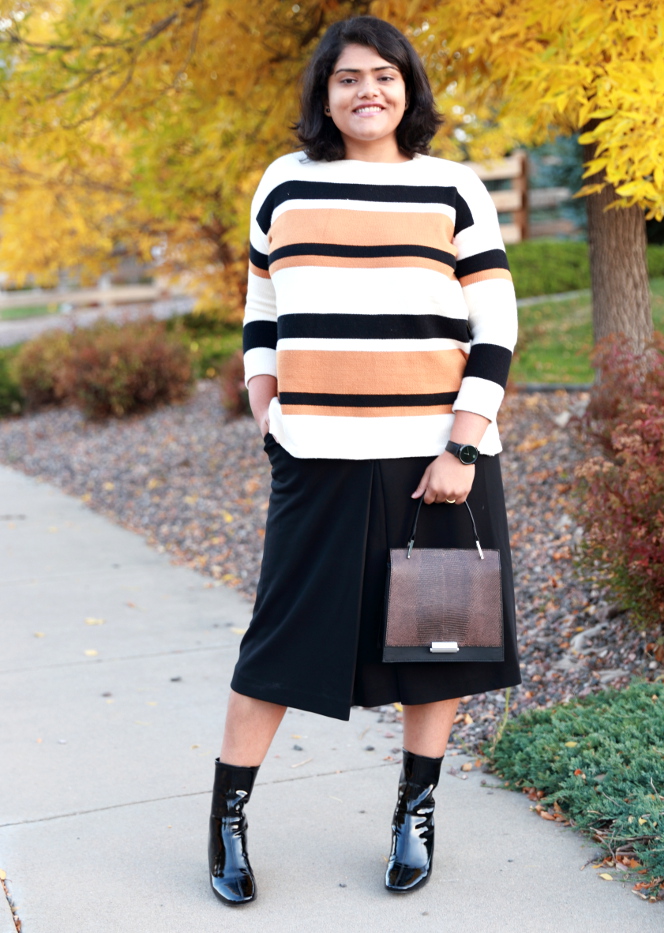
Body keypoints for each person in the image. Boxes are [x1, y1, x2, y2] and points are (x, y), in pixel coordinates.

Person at [208, 14, 520, 905]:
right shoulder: (285, 181)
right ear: (325, 93)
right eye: (348, 78)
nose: (366, 91)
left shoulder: (453, 187)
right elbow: (261, 302)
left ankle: (414, 812)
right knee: (279, 643)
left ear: (408, 89)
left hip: (438, 463)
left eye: (383, 75)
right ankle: (228, 819)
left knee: (439, 643)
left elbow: (494, 324)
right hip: (319, 458)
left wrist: (463, 440)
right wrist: (264, 401)